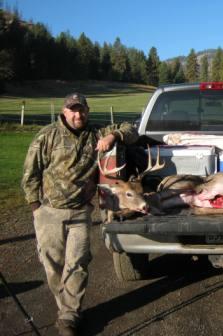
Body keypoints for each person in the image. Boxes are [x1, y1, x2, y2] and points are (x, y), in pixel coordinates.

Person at [22, 93, 138, 336]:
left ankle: (69, 316)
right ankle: (65, 305)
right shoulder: (47, 136)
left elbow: (131, 129)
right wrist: (36, 207)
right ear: (64, 112)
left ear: (88, 110)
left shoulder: (96, 133)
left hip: (80, 213)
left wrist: (112, 135)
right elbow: (30, 172)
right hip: (49, 212)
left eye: (81, 109)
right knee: (52, 264)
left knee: (77, 264)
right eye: (73, 110)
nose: (78, 114)